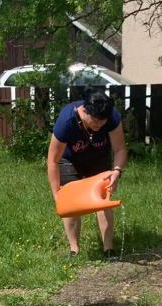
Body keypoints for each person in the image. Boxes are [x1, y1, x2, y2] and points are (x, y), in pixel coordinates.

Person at [47, 88, 128, 259]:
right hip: (69, 159)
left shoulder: (112, 117)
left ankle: (109, 250)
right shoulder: (67, 120)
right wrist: (57, 195)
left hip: (99, 156)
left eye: (103, 122)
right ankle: (74, 250)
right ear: (85, 111)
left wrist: (116, 172)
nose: (99, 126)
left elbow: (120, 149)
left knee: (103, 199)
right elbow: (52, 160)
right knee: (71, 202)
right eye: (95, 121)